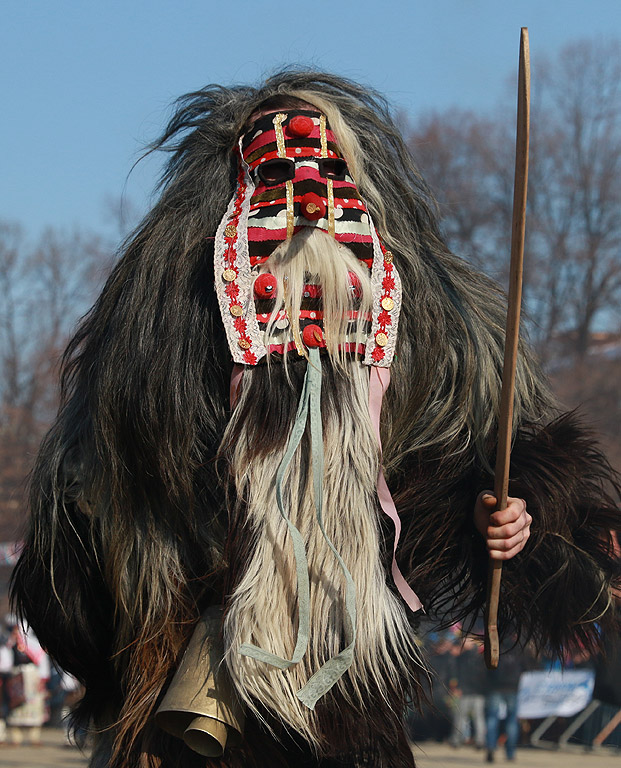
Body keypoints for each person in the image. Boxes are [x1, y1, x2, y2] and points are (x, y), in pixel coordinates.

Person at [11, 71, 620, 768]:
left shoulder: (433, 337)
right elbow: (90, 509)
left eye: (325, 178)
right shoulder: (160, 335)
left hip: (352, 700)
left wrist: (506, 513)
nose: (303, 205)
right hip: (195, 691)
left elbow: (477, 468)